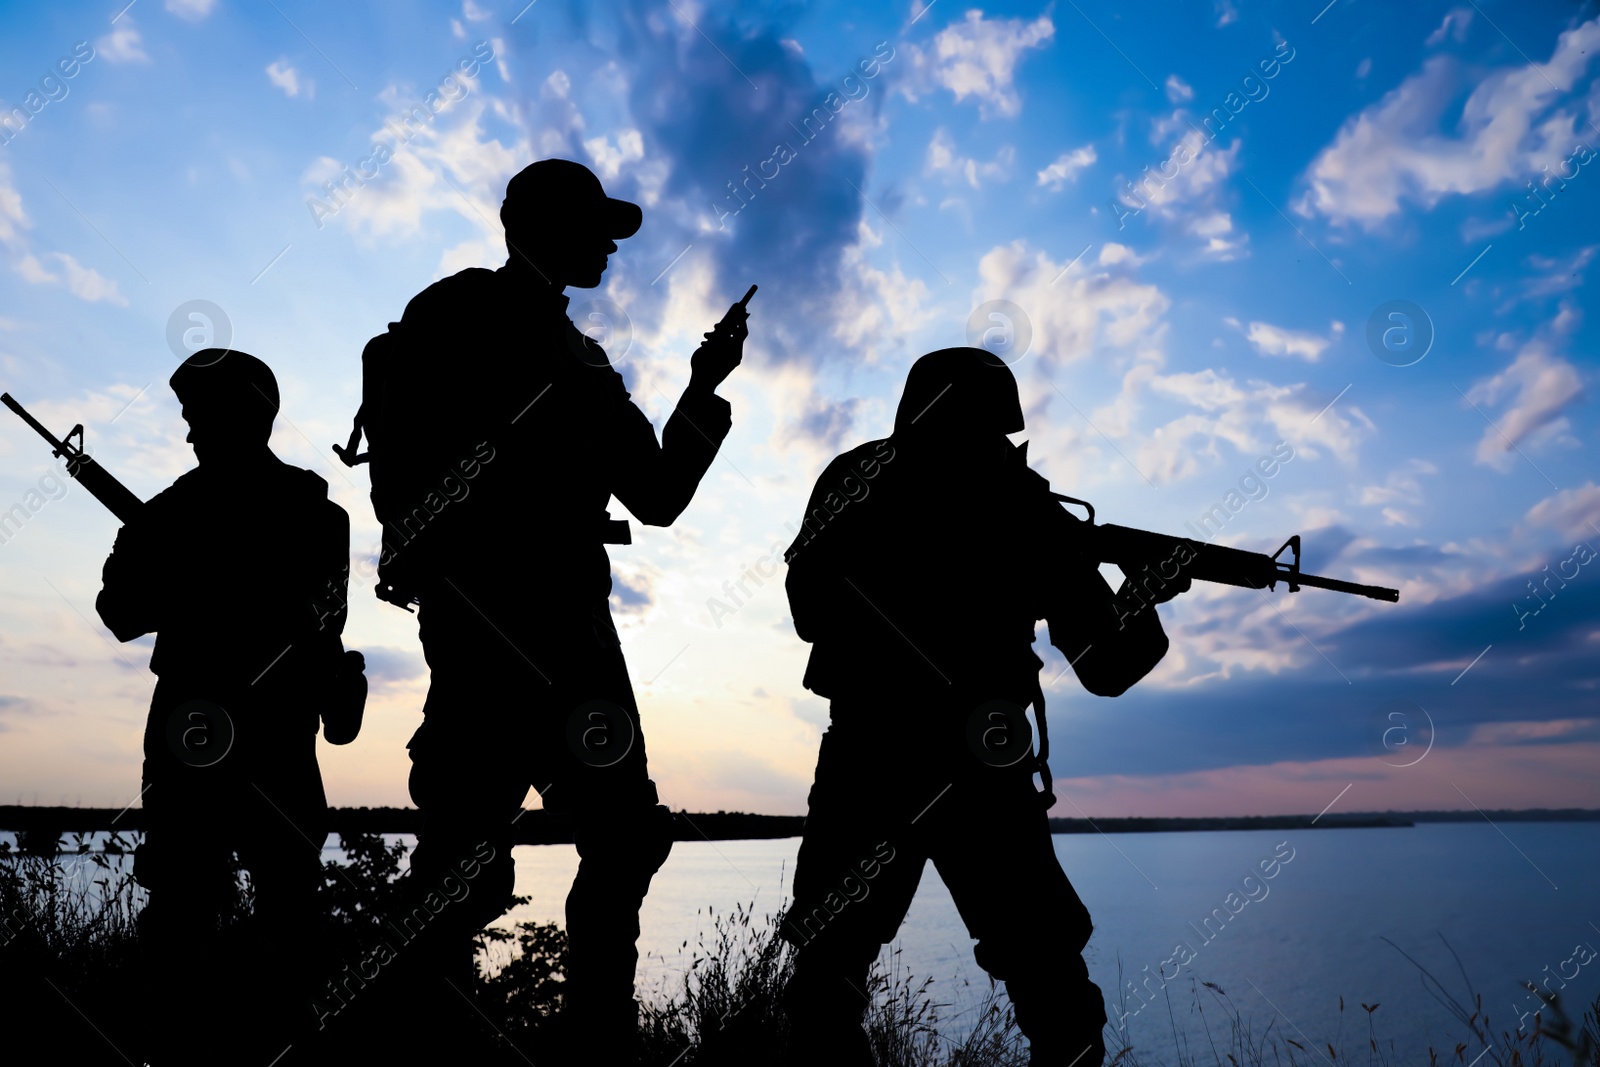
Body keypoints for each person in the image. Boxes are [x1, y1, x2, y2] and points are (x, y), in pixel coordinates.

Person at [364, 158, 747, 1059]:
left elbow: (651, 492)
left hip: (546, 637)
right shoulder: (489, 325)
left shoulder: (555, 348)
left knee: (607, 840)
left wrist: (703, 385)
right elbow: (648, 491)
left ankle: (559, 1046)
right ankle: (475, 1042)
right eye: (594, 229)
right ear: (535, 227)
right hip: (511, 636)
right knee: (492, 861)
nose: (610, 245)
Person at [778, 347, 1188, 1066]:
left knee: (833, 979)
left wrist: (1137, 593)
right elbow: (1106, 665)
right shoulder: (1013, 502)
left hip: (885, 752)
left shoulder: (870, 479)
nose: (994, 449)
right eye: (984, 432)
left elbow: (809, 609)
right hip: (962, 756)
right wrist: (1135, 597)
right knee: (840, 981)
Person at [96, 349, 364, 1065]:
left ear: (241, 416)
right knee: (259, 917)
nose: (189, 436)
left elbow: (121, 609)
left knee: (227, 918)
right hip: (250, 739)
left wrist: (178, 567)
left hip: (218, 737)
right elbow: (124, 610)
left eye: (198, 418)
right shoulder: (314, 515)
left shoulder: (189, 513)